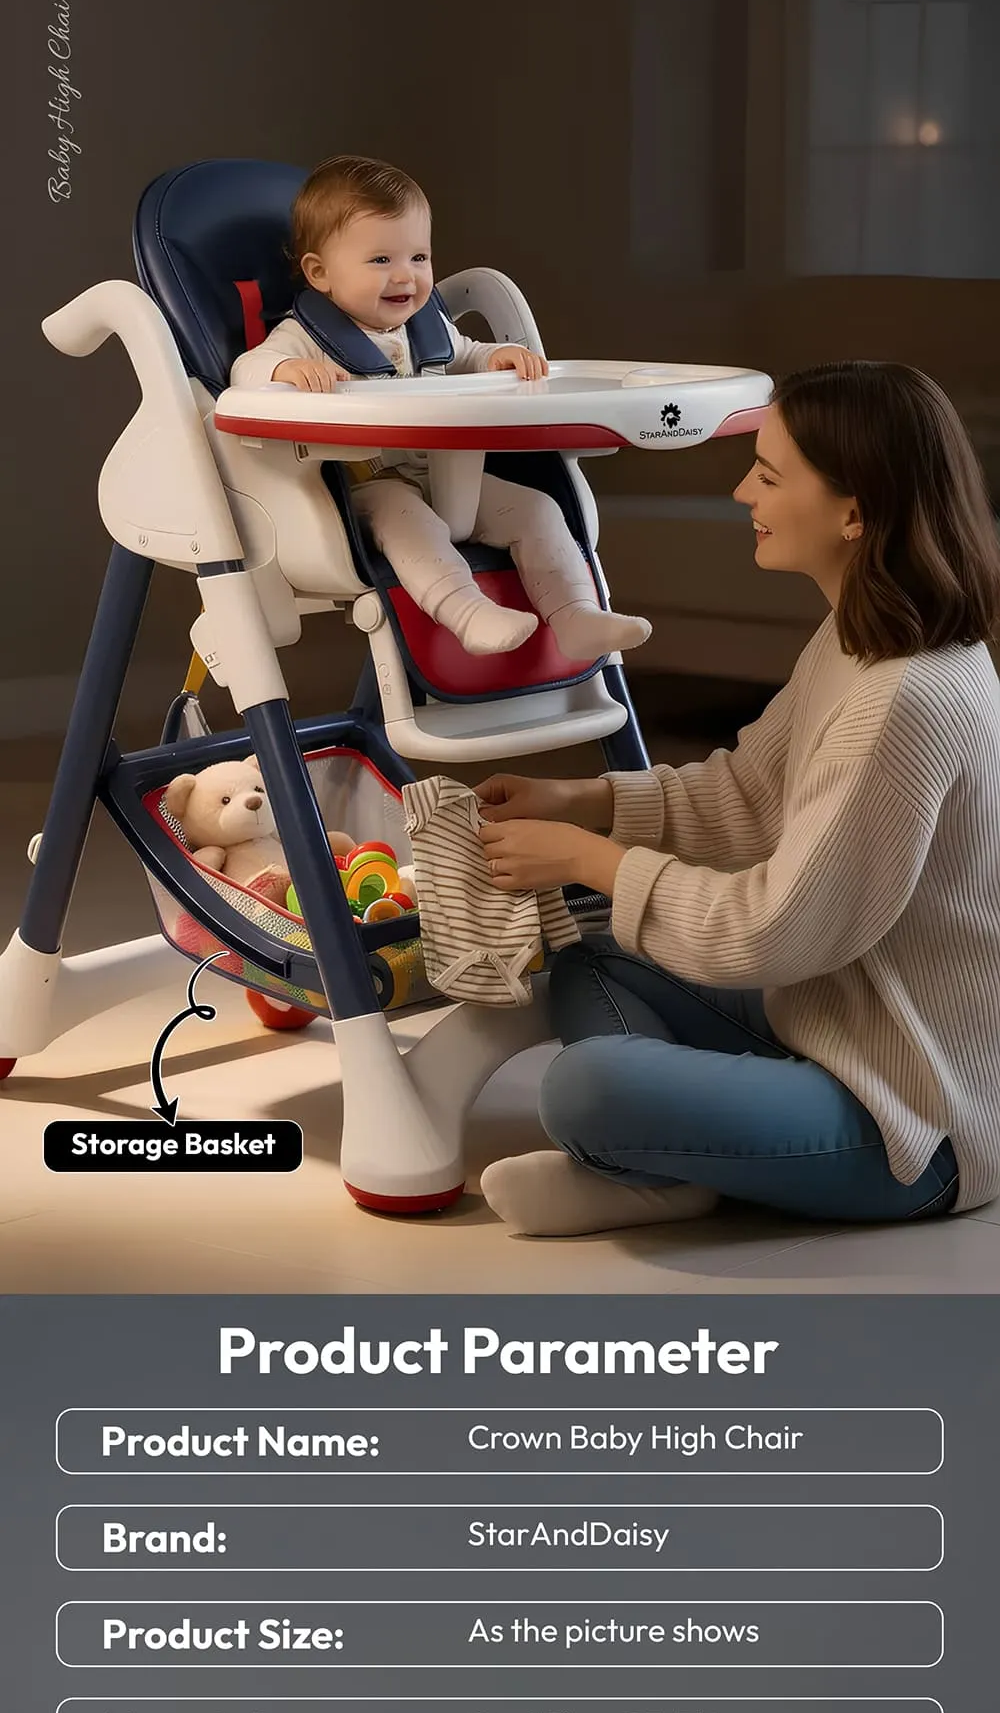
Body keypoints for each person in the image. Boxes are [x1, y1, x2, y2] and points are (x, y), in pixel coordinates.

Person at [476, 364, 1000, 1235]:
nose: (739, 489)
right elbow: (750, 794)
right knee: (592, 957)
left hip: (916, 1118)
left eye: (768, 473)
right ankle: (680, 1164)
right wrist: (584, 799)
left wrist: (590, 860)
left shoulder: (905, 699)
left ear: (854, 511)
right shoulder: (863, 634)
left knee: (584, 1085)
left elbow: (773, 926)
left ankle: (656, 1152)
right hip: (832, 1019)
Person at [232, 154, 649, 671]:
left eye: (419, 258)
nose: (405, 276)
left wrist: (494, 359)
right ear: (320, 273)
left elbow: (464, 354)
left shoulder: (425, 328)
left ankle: (577, 616)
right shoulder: (305, 337)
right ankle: (470, 615)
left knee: (537, 509)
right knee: (408, 523)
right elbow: (246, 371)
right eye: (381, 261)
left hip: (449, 478)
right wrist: (286, 372)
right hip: (367, 484)